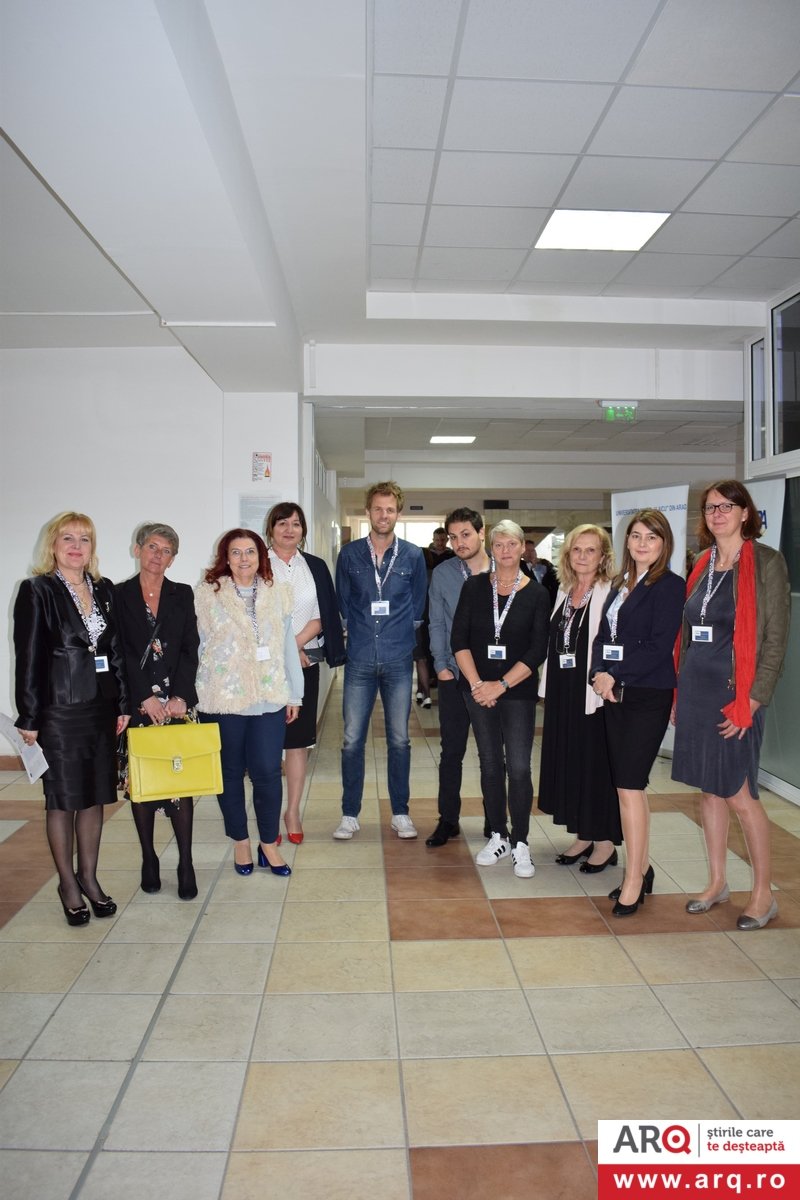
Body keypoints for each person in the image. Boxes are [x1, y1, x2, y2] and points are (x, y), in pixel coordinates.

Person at [672, 480, 790, 930]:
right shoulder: (702, 563)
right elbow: (689, 634)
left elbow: (775, 639)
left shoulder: (766, 562)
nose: (717, 513)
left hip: (735, 696)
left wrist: (753, 700)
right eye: (710, 507)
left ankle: (763, 895)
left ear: (745, 513)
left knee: (740, 794)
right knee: (709, 790)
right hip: (696, 692)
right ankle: (718, 882)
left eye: (727, 506)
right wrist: (678, 693)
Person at [13, 512, 130, 925]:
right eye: (68, 538)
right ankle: (68, 885)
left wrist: (122, 704)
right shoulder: (37, 590)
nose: (76, 546)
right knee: (63, 799)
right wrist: (29, 716)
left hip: (100, 709)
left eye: (84, 539)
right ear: (53, 545)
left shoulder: (104, 589)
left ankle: (89, 878)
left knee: (95, 795)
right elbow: (29, 658)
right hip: (59, 712)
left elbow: (115, 651)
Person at [590, 509, 684, 916]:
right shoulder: (620, 583)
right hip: (616, 695)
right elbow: (602, 638)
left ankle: (632, 880)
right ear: (626, 541)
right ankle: (642, 869)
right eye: (636, 536)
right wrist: (598, 672)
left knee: (628, 786)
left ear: (664, 544)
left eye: (652, 537)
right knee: (630, 787)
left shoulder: (670, 586)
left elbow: (659, 647)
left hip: (647, 696)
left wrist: (614, 675)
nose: (642, 543)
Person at [195, 529, 303, 877]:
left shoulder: (278, 593)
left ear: (261, 557)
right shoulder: (208, 595)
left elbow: (287, 646)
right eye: (236, 552)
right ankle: (240, 841)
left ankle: (268, 843)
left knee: (268, 773)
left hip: (268, 698)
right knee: (228, 773)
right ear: (225, 558)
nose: (244, 559)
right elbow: (199, 647)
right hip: (224, 699)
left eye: (250, 552)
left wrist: (295, 693)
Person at [451, 519, 549, 878]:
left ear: (523, 548)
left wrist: (501, 685)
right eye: (498, 544)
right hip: (477, 690)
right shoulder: (474, 587)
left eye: (512, 544)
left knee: (519, 766)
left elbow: (538, 649)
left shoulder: (536, 594)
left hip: (517, 691)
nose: (505, 551)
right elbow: (459, 640)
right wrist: (479, 684)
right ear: (490, 548)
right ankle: (498, 835)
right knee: (491, 763)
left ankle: (521, 841)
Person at [333, 481, 427, 840]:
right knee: (351, 740)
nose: (383, 515)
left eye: (390, 509)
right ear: (368, 512)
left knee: (399, 740)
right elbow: (343, 604)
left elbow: (417, 607)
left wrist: (395, 634)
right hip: (359, 657)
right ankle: (349, 814)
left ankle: (400, 813)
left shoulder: (413, 556)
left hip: (398, 658)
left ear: (397, 514)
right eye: (377, 509)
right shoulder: (350, 555)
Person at [116, 522, 200, 899]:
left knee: (180, 783)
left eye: (166, 551)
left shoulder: (182, 594)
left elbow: (189, 647)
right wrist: (142, 697)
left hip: (175, 704)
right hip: (139, 705)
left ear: (173, 559)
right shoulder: (118, 595)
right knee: (143, 784)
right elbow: (119, 651)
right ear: (138, 550)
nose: (157, 555)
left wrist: (180, 695)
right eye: (152, 547)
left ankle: (186, 861)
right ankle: (149, 857)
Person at [538, 525, 621, 871]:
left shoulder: (611, 592)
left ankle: (604, 843)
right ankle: (583, 834)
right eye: (577, 549)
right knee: (571, 763)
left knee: (594, 767)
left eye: (591, 550)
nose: (583, 556)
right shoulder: (564, 589)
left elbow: (615, 644)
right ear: (568, 554)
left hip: (593, 694)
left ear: (603, 557)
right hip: (564, 690)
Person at [264, 501, 345, 843]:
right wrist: (286, 651)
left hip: (304, 665)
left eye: (296, 524)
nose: (289, 529)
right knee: (267, 745)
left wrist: (294, 647)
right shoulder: (257, 563)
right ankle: (269, 816)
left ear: (303, 531)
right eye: (282, 523)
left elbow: (324, 612)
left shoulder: (314, 566)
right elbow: (251, 615)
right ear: (271, 529)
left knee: (297, 743)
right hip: (264, 669)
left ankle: (293, 811)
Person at [425, 507, 491, 847]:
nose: (459, 542)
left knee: (491, 753)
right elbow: (436, 621)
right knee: (451, 751)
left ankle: (496, 821)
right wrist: (440, 665)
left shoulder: (503, 568)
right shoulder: (443, 573)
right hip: (453, 674)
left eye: (465, 534)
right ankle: (448, 819)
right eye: (453, 537)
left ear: (481, 533)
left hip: (491, 678)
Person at [414, 527, 454, 707]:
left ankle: (424, 690)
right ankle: (427, 685)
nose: (440, 543)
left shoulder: (451, 557)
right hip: (431, 612)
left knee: (423, 654)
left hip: (431, 613)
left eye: (443, 540)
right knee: (429, 649)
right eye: (437, 540)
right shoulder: (429, 563)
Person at [523, 537, 558, 608]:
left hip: (546, 601)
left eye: (532, 550)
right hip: (528, 603)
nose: (530, 553)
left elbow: (555, 581)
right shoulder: (519, 566)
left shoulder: (545, 563)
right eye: (527, 550)